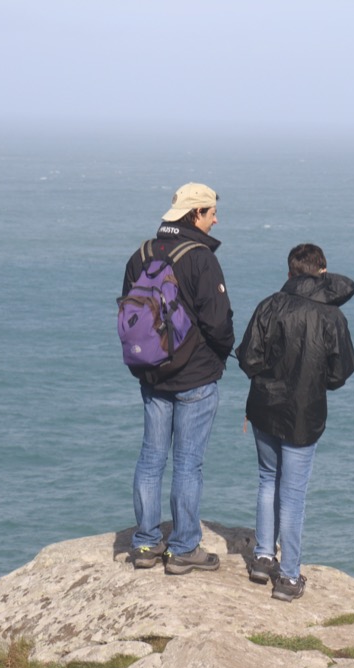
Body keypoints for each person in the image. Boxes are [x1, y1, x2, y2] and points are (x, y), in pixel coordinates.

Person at [123, 182, 234, 575]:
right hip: (195, 377)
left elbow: (130, 314)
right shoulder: (200, 258)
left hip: (152, 374)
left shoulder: (141, 254)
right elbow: (218, 322)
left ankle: (145, 543)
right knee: (188, 463)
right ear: (195, 213)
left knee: (150, 458)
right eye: (211, 213)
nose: (216, 220)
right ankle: (184, 547)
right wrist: (221, 355)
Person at [236, 243, 354, 601]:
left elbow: (248, 358)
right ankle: (289, 577)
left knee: (267, 480)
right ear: (323, 273)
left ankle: (262, 557)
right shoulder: (332, 317)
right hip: (305, 413)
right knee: (293, 494)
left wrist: (269, 376)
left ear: (289, 272)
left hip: (264, 407)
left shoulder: (269, 305)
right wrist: (316, 382)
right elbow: (340, 372)